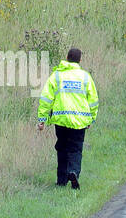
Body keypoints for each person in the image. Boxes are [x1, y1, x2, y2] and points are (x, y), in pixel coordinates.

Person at [36, 47, 99, 190]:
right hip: (80, 120)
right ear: (80, 60)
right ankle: (73, 172)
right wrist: (91, 119)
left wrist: (42, 119)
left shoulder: (56, 76)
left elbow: (46, 99)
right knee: (76, 148)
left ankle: (61, 180)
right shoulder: (85, 77)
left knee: (62, 147)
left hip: (61, 119)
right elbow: (93, 100)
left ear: (66, 58)